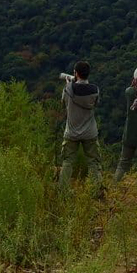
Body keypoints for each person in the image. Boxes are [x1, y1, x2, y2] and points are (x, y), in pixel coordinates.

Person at [58, 60, 102, 193]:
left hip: (71, 132)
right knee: (93, 162)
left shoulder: (68, 90)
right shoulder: (95, 90)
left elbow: (63, 103)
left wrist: (69, 86)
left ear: (75, 73)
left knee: (67, 162)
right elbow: (95, 104)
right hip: (90, 132)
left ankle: (63, 191)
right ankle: (96, 190)